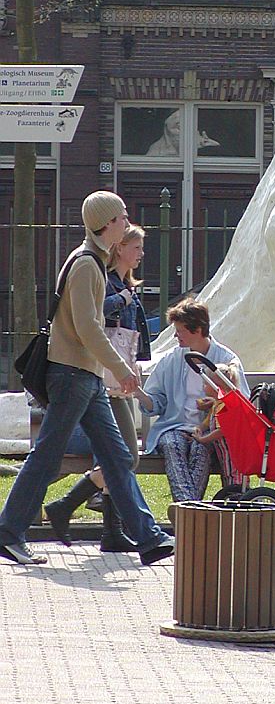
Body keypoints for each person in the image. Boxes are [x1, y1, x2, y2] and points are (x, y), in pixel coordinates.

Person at [0, 191, 174, 566]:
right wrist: (123, 370)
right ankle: (8, 531)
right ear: (107, 223)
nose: (126, 223)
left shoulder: (95, 263)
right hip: (73, 375)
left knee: (118, 456)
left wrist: (110, 370)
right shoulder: (85, 266)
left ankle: (149, 538)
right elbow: (88, 329)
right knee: (47, 457)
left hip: (87, 377)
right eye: (122, 218)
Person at [45, 224, 151, 552]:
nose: (141, 254)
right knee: (125, 456)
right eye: (137, 247)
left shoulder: (127, 285)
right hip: (102, 374)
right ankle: (67, 505)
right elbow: (93, 318)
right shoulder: (104, 279)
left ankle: (111, 531)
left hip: (115, 375)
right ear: (120, 248)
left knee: (121, 455)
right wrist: (121, 298)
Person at [136, 299, 248, 502]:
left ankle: (185, 508)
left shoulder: (226, 359)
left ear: (197, 329)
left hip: (210, 431)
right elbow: (156, 402)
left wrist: (215, 403)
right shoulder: (171, 359)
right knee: (171, 445)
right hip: (174, 426)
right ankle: (189, 507)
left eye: (180, 330)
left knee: (201, 449)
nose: (175, 335)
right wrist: (139, 393)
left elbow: (240, 400)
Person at [192, 363, 250, 493]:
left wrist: (204, 439)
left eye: (206, 384)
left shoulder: (225, 407)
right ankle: (231, 499)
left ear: (216, 387)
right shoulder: (217, 403)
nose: (203, 387)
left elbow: (222, 430)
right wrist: (200, 428)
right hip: (224, 455)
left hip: (234, 455)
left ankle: (239, 498)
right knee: (227, 476)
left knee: (234, 479)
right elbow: (208, 422)